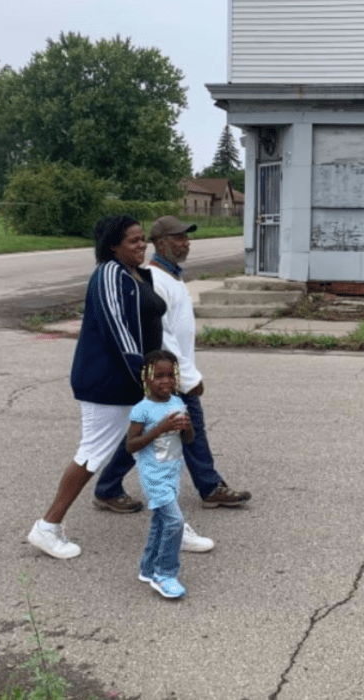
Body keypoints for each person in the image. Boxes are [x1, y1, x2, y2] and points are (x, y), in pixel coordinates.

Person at [27, 215, 213, 559]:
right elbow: (119, 333)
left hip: (133, 382)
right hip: (108, 384)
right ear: (113, 246)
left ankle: (173, 526)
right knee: (92, 453)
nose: (142, 245)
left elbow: (153, 330)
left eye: (142, 239)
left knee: (158, 450)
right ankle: (47, 527)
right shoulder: (109, 274)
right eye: (133, 241)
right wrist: (148, 380)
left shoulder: (137, 274)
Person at [93, 215, 251, 511]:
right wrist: (187, 378)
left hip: (174, 371)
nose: (186, 243)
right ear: (161, 244)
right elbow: (163, 336)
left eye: (186, 237)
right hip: (168, 373)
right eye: (179, 238)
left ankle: (108, 487)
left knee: (157, 429)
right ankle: (210, 487)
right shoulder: (156, 280)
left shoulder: (173, 277)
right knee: (188, 427)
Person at [128, 350, 193, 599]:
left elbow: (189, 439)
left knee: (161, 521)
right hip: (153, 476)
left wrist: (187, 426)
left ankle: (147, 568)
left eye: (170, 375)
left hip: (172, 473)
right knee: (175, 522)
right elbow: (130, 445)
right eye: (159, 376)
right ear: (147, 378)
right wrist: (160, 428)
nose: (165, 381)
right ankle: (164, 574)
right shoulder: (142, 409)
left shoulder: (177, 403)